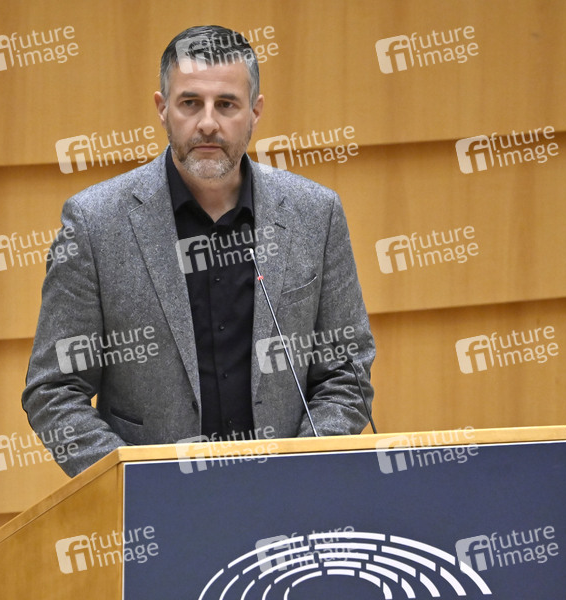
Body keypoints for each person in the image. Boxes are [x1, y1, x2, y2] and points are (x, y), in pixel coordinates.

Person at [23, 25, 376, 477]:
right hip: (156, 506)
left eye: (226, 104)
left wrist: (296, 476)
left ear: (255, 112)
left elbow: (346, 373)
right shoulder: (95, 223)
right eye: (190, 103)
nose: (208, 123)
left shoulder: (316, 214)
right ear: (162, 109)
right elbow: (53, 391)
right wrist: (135, 485)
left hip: (285, 494)